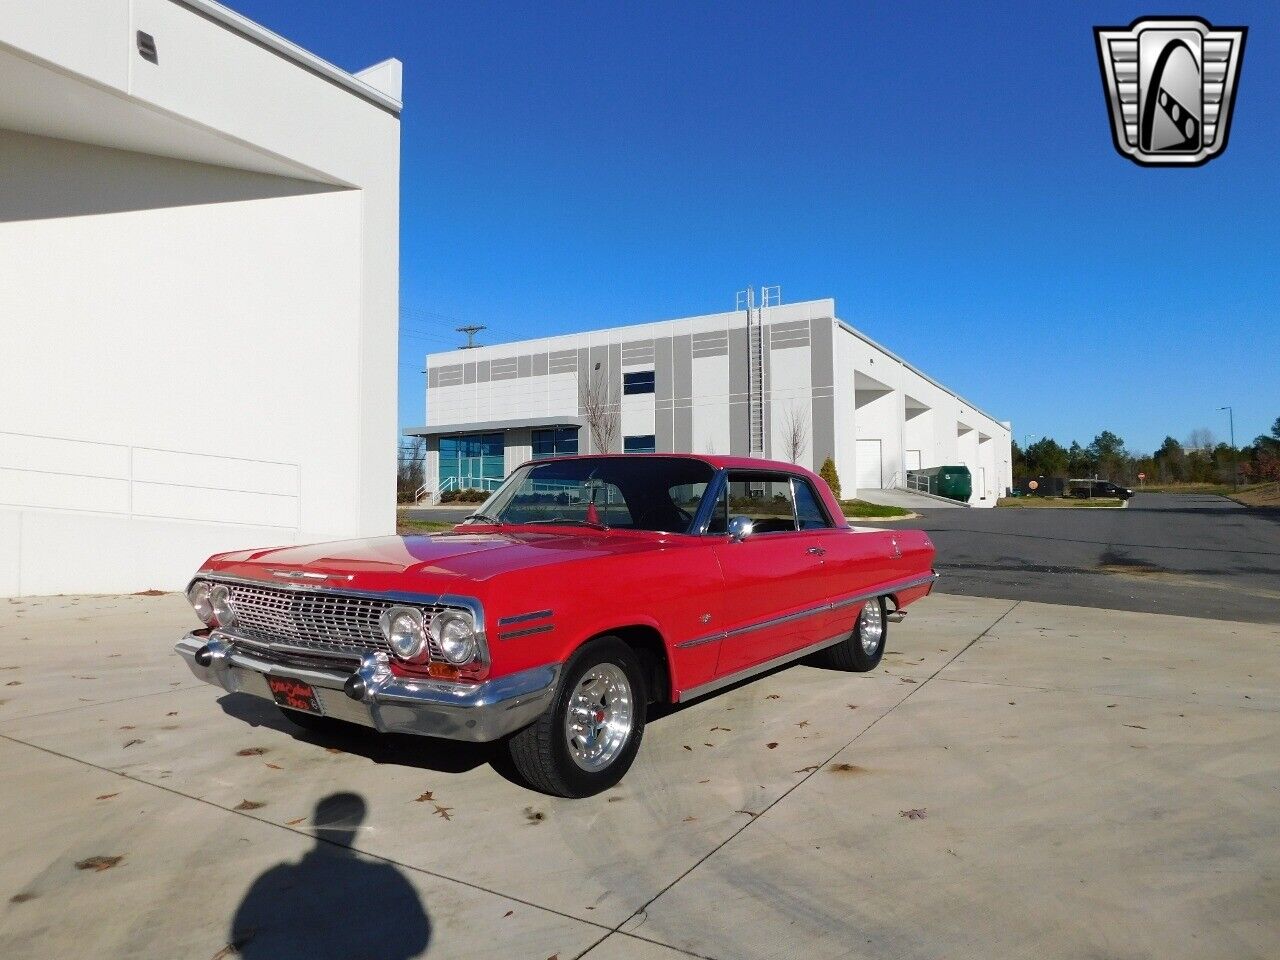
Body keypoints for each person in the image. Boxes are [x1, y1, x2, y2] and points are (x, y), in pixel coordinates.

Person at [229, 793, 430, 959]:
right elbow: (417, 938)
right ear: (358, 825)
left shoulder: (274, 880)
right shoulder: (385, 878)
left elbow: (243, 937)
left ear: (316, 823)